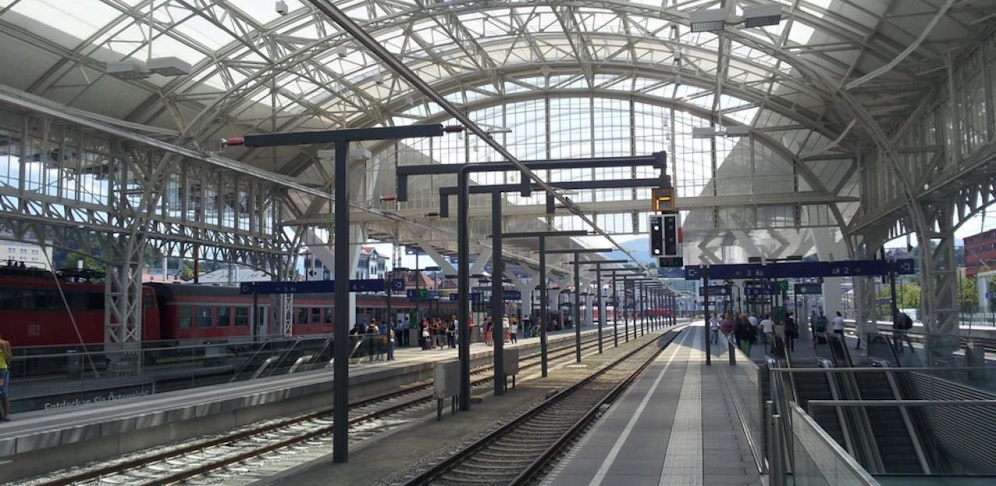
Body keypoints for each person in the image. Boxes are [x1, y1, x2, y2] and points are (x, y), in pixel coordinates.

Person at [0, 332, 11, 422]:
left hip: (2, 371)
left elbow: (9, 358)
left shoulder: (5, 343)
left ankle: (6, 415)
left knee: (3, 392)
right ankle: (1, 414)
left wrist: (4, 350)